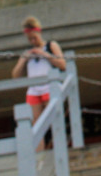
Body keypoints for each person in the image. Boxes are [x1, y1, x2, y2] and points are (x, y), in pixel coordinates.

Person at [11, 16, 65, 150]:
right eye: (30, 39)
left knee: (53, 119)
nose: (32, 41)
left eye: (34, 38)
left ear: (39, 33)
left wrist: (44, 54)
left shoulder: (51, 45)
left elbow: (63, 65)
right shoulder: (27, 52)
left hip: (49, 86)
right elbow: (15, 75)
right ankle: (39, 152)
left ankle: (58, 148)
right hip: (34, 90)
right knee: (35, 122)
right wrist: (24, 60)